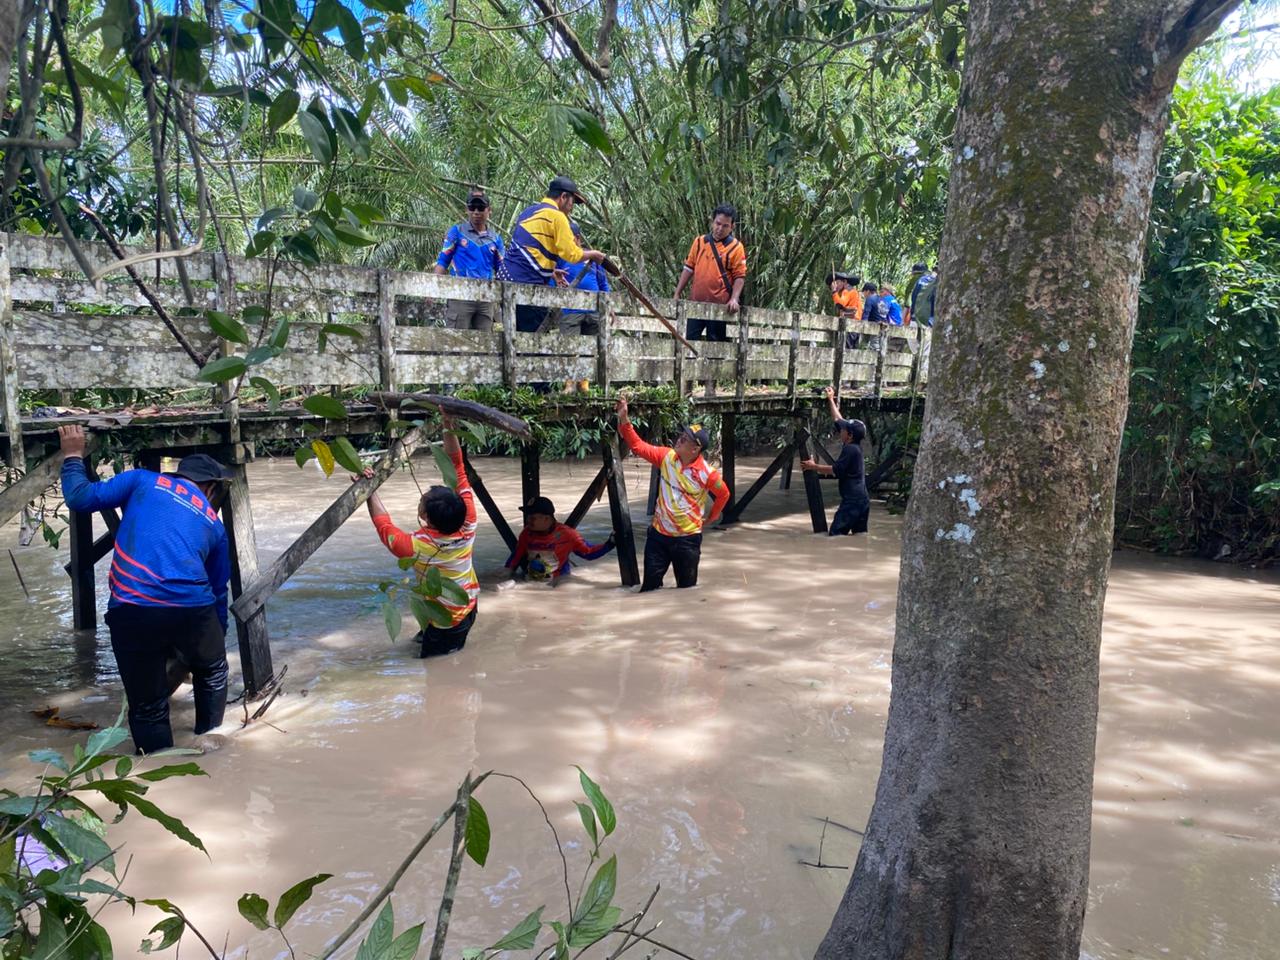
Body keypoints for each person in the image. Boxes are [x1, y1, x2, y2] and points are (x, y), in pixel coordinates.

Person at [57, 425, 231, 753]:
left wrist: (73, 455)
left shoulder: (141, 480)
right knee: (212, 671)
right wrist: (215, 641)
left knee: (147, 705)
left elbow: (79, 497)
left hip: (132, 610)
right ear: (210, 488)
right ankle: (210, 743)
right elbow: (218, 590)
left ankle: (157, 765)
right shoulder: (213, 522)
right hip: (191, 610)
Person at [356, 410, 479, 656]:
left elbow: (383, 524)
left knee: (435, 671)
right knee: (437, 654)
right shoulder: (468, 520)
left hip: (447, 621)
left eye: (422, 501)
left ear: (425, 517)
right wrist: (448, 423)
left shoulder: (417, 547)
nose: (421, 499)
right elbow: (456, 464)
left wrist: (369, 488)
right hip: (468, 604)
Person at [615, 395, 731, 591]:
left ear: (695, 449)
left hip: (688, 540)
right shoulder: (666, 458)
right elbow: (637, 446)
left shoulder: (708, 474)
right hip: (658, 536)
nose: (679, 439)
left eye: (685, 439)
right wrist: (624, 418)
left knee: (687, 591)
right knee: (648, 590)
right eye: (681, 435)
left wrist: (712, 517)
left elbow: (724, 494)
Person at [497, 176, 607, 332]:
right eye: (572, 202)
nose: (571, 208)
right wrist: (593, 254)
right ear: (563, 197)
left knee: (514, 335)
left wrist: (551, 272)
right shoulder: (557, 216)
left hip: (506, 278)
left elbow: (528, 248)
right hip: (526, 284)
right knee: (534, 338)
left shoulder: (528, 212)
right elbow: (572, 254)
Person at [801, 386, 870, 535]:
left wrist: (813, 466)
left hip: (852, 501)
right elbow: (838, 419)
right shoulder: (854, 446)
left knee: (835, 535)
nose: (840, 430)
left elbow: (835, 470)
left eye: (843, 430)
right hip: (862, 500)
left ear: (849, 435)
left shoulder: (850, 450)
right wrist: (831, 399)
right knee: (860, 535)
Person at [673, 203, 747, 342]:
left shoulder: (736, 247)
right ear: (712, 222)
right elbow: (688, 268)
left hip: (720, 307)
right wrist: (677, 293)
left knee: (716, 345)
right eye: (718, 223)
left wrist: (734, 298)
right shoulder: (700, 242)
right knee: (689, 342)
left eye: (725, 226)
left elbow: (739, 276)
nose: (720, 228)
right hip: (696, 303)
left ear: (732, 226)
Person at [434, 188, 505, 330]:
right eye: (472, 207)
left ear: (489, 210)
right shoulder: (456, 232)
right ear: (467, 210)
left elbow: (502, 271)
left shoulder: (496, 239)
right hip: (460, 294)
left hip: (485, 298)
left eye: (481, 207)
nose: (476, 212)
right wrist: (431, 289)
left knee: (484, 341)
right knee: (457, 339)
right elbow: (443, 261)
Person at [505, 496, 615, 585]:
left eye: (533, 518)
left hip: (559, 582)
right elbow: (517, 555)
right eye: (528, 517)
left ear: (547, 518)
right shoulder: (526, 533)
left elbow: (588, 552)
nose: (528, 521)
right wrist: (506, 571)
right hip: (533, 580)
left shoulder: (567, 534)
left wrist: (610, 544)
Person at [906, 263, 938, 327]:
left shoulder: (920, 280)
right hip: (930, 320)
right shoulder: (937, 282)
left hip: (915, 319)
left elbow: (913, 299)